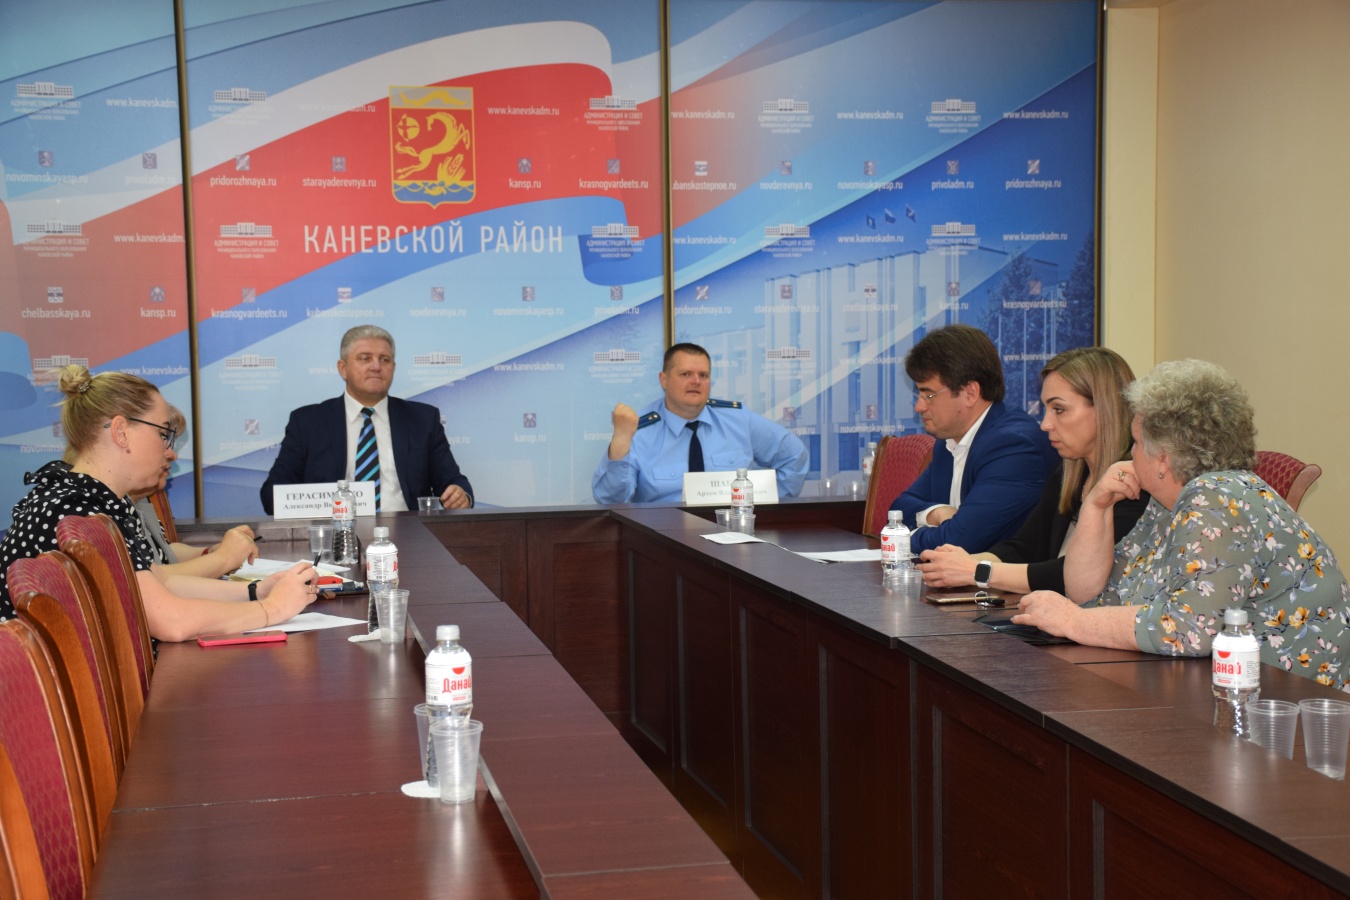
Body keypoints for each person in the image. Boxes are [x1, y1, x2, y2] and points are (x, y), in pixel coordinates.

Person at [1014, 359, 1350, 688]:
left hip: (1290, 701)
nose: (1131, 453)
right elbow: (1088, 592)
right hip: (1224, 688)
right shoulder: (1171, 503)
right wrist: (1096, 505)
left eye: (1136, 442)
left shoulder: (1218, 499)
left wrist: (1073, 621)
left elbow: (1189, 630)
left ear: (1162, 457)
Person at [0, 366, 319, 640]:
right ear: (121, 432)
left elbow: (157, 580)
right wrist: (272, 609)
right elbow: (170, 621)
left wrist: (256, 591)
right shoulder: (76, 509)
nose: (171, 451)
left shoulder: (95, 500)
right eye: (163, 434)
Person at [916, 347, 1150, 594]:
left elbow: (1070, 576)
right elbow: (1025, 547)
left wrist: (976, 571)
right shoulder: (1069, 472)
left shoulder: (1131, 482)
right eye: (1046, 410)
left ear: (1104, 409)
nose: (1045, 424)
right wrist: (951, 564)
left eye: (1058, 410)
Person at [260, 325, 473, 514]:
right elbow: (272, 494)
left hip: (408, 534)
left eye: (384, 359)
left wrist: (460, 495)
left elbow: (454, 482)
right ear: (343, 368)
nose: (376, 367)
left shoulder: (423, 420)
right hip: (334, 534)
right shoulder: (308, 422)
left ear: (393, 368)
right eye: (365, 358)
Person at [889, 324, 1059, 554]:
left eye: (929, 395)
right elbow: (898, 509)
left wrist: (900, 538)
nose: (919, 406)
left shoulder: (1013, 448)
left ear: (970, 393)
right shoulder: (949, 442)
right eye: (918, 394)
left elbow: (957, 542)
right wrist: (936, 513)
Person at [592, 342, 808, 504]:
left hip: (734, 534)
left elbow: (794, 457)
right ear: (664, 380)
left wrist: (765, 505)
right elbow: (611, 501)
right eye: (686, 374)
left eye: (703, 375)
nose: (696, 381)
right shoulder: (639, 431)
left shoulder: (738, 419)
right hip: (664, 538)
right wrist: (620, 443)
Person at [131, 405, 260, 578]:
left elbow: (162, 551)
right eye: (163, 438)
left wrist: (212, 553)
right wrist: (222, 559)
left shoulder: (141, 498)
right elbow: (146, 579)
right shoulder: (105, 504)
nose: (172, 454)